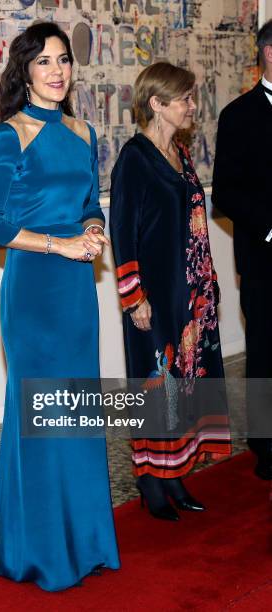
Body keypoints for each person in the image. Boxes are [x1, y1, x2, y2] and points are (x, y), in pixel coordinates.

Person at [0, 22, 120, 591]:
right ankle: (42, 548)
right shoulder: (11, 135)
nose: (57, 71)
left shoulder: (83, 131)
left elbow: (85, 202)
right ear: (25, 72)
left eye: (64, 60)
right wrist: (62, 244)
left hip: (76, 291)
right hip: (33, 292)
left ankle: (84, 541)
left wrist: (94, 229)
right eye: (45, 61)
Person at [109, 62, 231, 521]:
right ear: (157, 103)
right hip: (154, 298)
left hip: (191, 295)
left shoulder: (180, 152)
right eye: (184, 99)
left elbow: (194, 225)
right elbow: (122, 230)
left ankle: (174, 472)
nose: (192, 106)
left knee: (184, 384)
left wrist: (207, 284)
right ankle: (149, 479)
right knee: (155, 385)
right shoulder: (134, 159)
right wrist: (132, 295)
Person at [212, 20, 272, 480]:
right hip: (264, 258)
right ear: (268, 54)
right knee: (266, 351)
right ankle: (266, 446)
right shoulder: (237, 115)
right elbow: (226, 195)